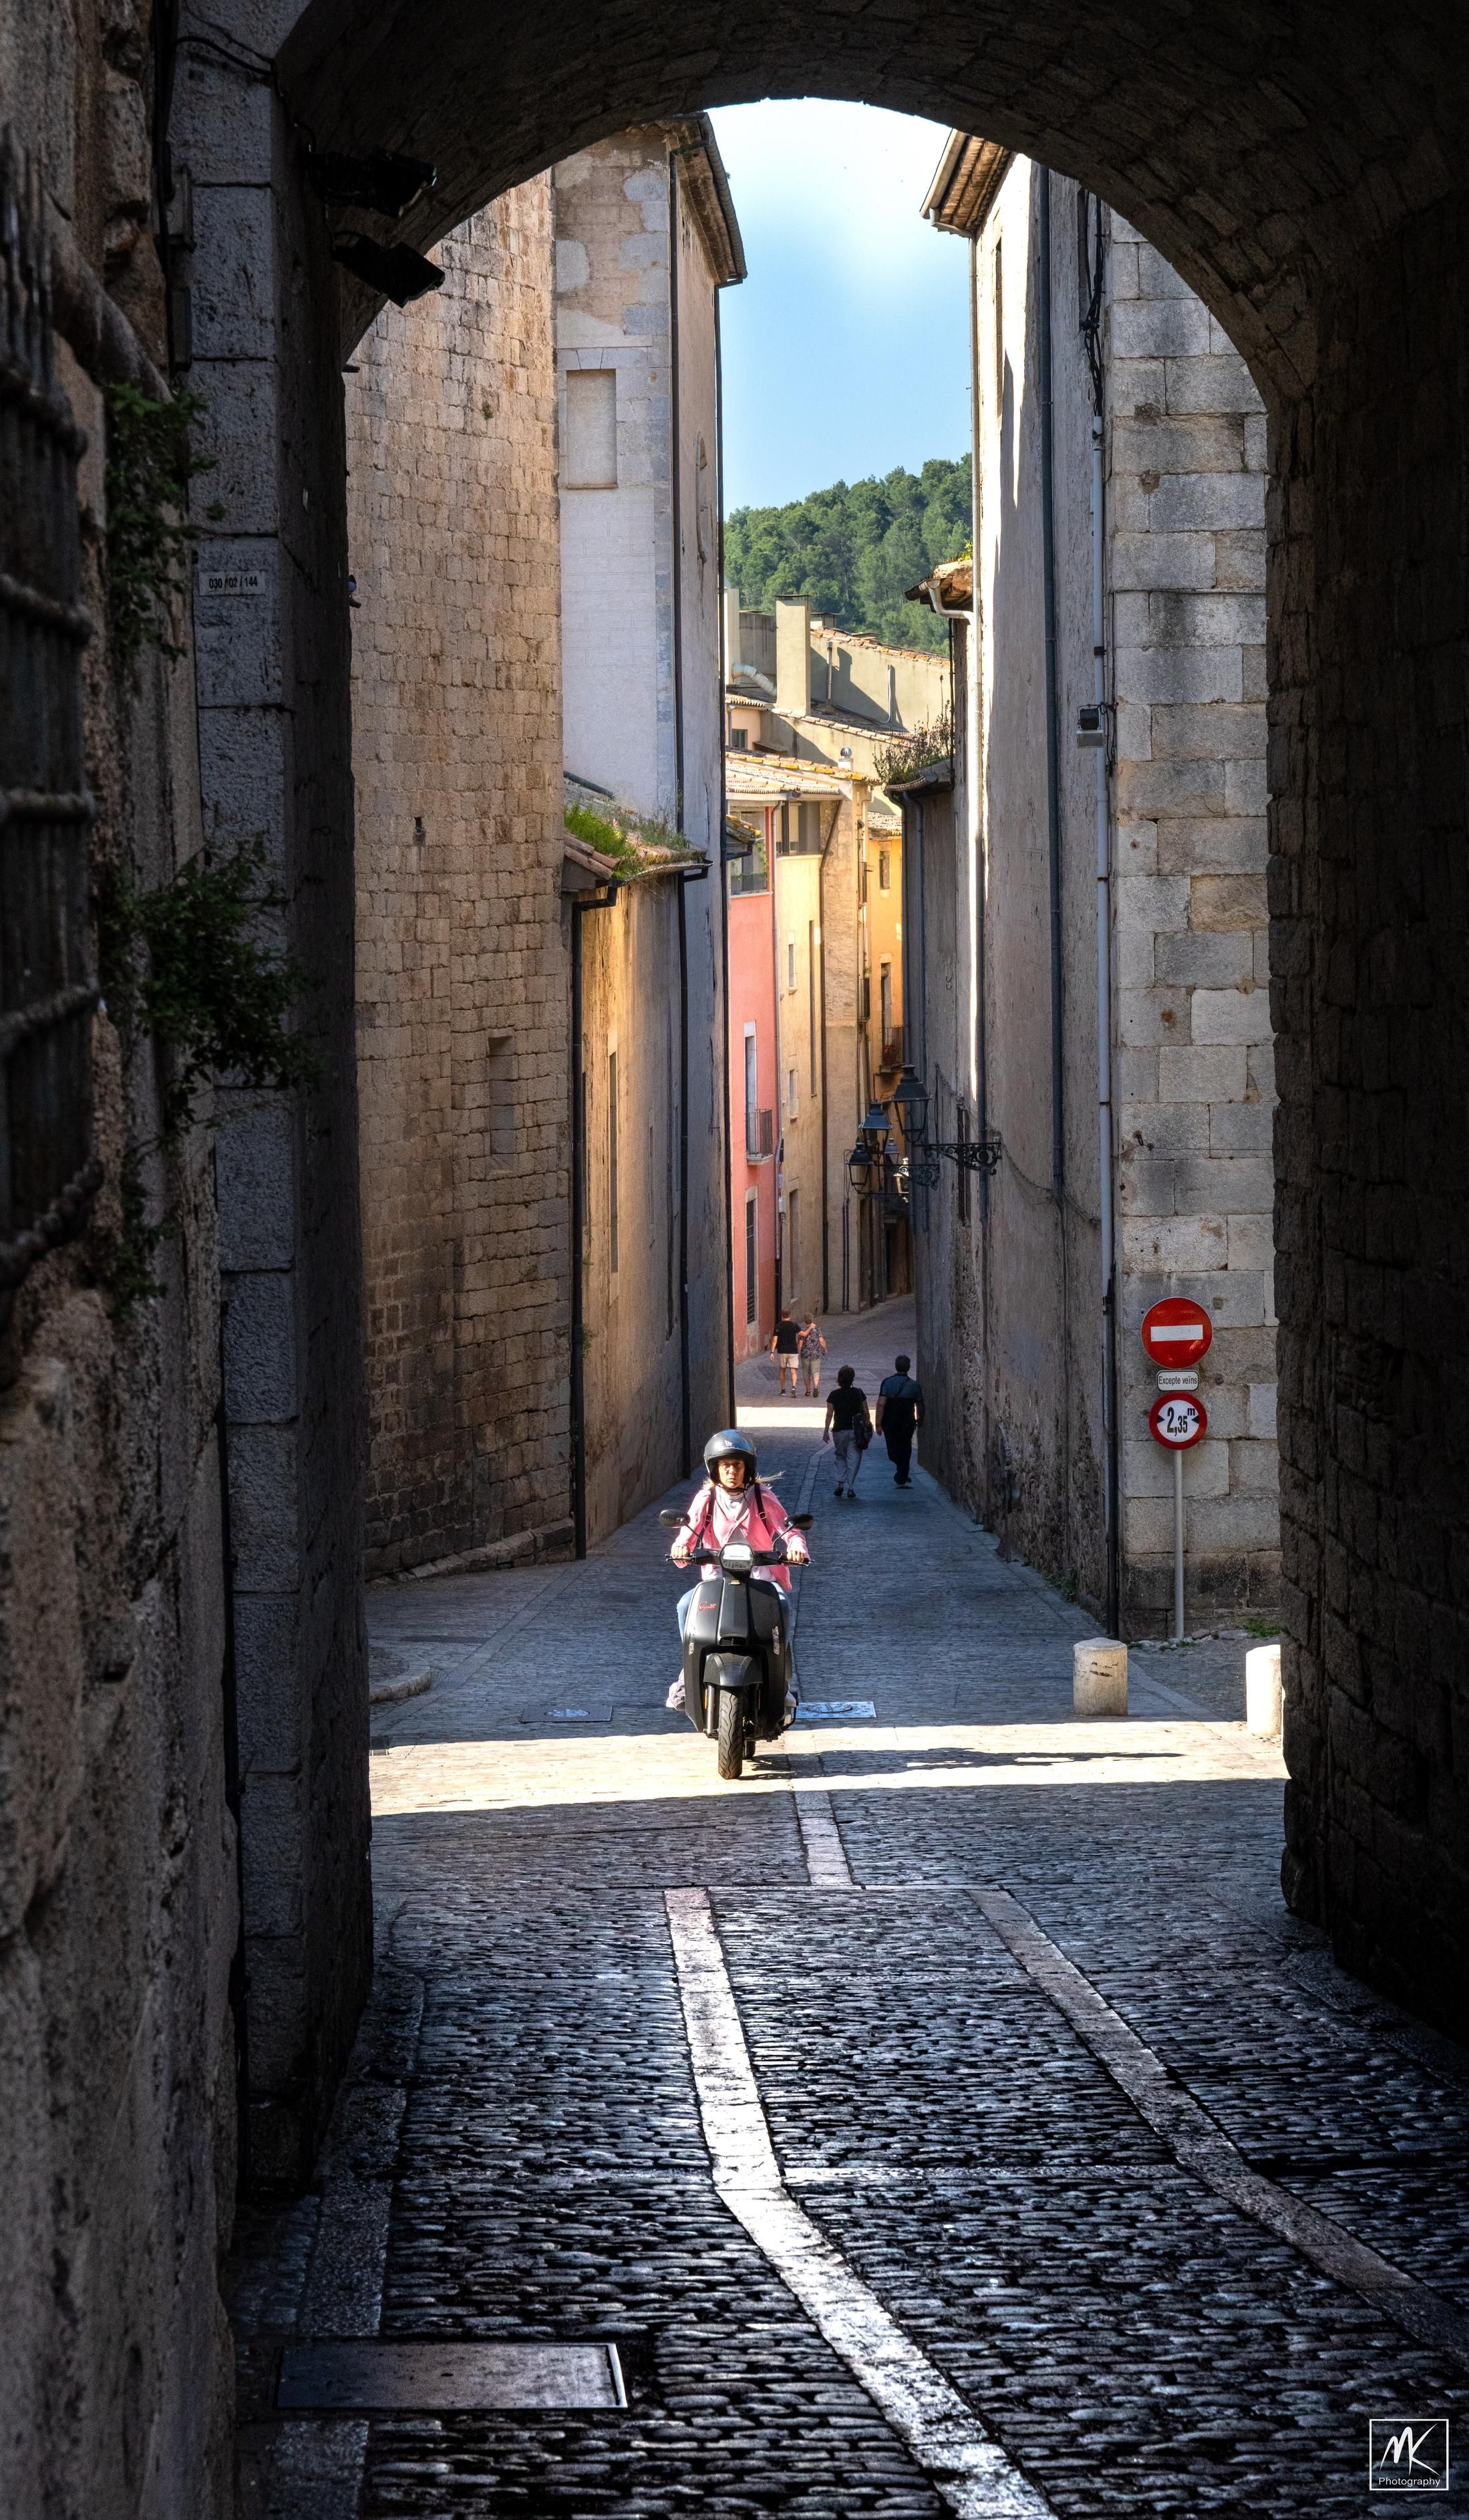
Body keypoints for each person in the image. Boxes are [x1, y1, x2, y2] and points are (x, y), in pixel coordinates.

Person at [665, 1429, 809, 1707]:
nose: (731, 1471)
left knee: (782, 1606)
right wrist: (680, 1548)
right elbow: (688, 1534)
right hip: (716, 1579)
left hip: (761, 1578)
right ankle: (688, 1675)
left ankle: (781, 1681)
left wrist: (797, 1549)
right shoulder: (705, 1500)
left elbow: (788, 1531)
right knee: (685, 1606)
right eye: (725, 1465)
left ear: (748, 1468)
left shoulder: (761, 1497)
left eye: (738, 1465)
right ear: (715, 1469)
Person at [875, 1353, 925, 1488]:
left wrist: (878, 1423)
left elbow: (881, 1404)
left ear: (896, 1367)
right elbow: (920, 1405)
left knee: (892, 1447)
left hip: (890, 1421)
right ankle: (902, 1472)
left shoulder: (887, 1383)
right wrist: (920, 1419)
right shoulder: (914, 1386)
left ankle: (902, 1474)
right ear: (908, 1368)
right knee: (906, 1446)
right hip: (907, 1422)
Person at [822, 1365, 871, 1500]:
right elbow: (866, 1412)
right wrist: (867, 1427)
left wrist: (826, 1431)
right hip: (856, 1431)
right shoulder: (859, 1393)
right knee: (854, 1458)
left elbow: (829, 1415)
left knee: (840, 1456)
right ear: (852, 1379)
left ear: (839, 1379)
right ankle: (851, 1487)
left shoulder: (833, 1395)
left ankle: (840, 1484)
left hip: (839, 1431)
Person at [769, 1308, 802, 1393]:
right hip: (793, 1351)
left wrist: (772, 1352)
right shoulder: (794, 1325)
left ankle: (783, 1390)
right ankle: (793, 1387)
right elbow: (803, 1334)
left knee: (782, 1370)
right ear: (790, 1315)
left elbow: (775, 1340)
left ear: (782, 1316)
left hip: (782, 1351)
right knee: (793, 1371)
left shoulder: (778, 1326)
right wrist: (810, 1328)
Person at [798, 1314, 827, 1397]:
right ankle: (815, 1387)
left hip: (805, 1354)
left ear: (805, 1320)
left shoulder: (802, 1330)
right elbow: (821, 1340)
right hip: (816, 1353)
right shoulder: (817, 1329)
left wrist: (798, 1351)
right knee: (816, 1371)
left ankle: (808, 1391)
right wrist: (825, 1349)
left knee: (806, 1372)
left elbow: (800, 1343)